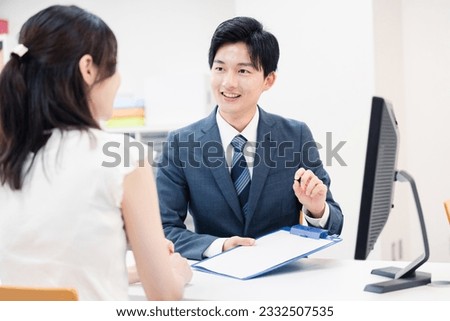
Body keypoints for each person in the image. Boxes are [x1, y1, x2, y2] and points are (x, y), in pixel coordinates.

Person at [0, 5, 191, 300]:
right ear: (87, 68)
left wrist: (134, 271)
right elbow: (165, 296)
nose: (118, 79)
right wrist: (176, 272)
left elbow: (45, 275)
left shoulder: (9, 154)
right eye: (113, 66)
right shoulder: (122, 154)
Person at [157, 16, 344, 261]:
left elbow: (335, 226)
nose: (228, 82)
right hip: (215, 279)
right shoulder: (180, 144)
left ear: (268, 80)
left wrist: (316, 208)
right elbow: (164, 229)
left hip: (284, 277)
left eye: (243, 71)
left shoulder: (295, 136)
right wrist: (220, 246)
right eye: (220, 68)